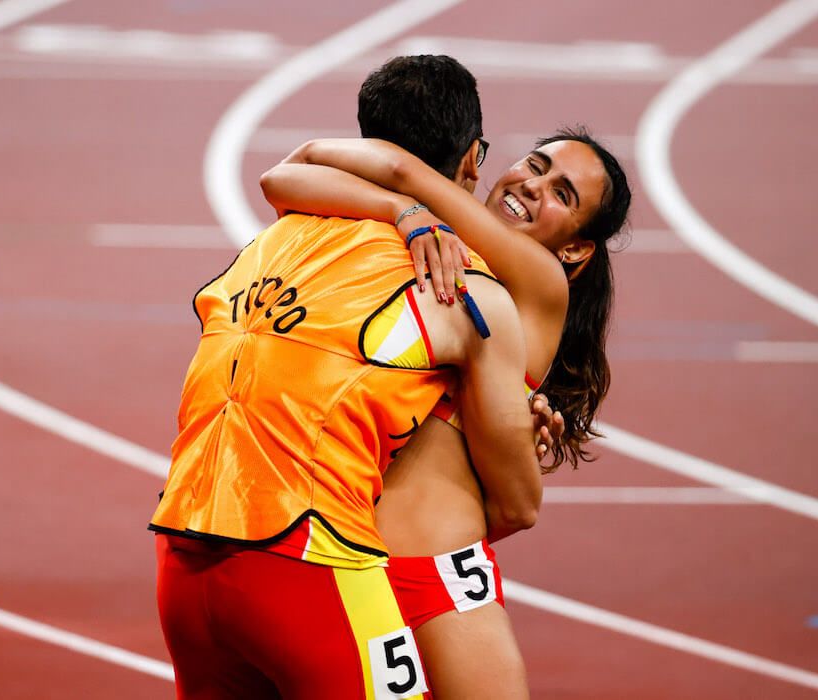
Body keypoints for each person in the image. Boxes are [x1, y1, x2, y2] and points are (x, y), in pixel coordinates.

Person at [150, 55, 550, 699]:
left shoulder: (274, 237)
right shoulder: (465, 291)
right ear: (474, 159)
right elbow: (517, 506)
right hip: (310, 561)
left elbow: (287, 172)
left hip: (183, 561)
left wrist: (396, 202)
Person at [260, 110, 631, 696]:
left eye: (561, 193)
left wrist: (403, 201)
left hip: (437, 581)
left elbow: (395, 172)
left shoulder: (537, 281)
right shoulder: (426, 250)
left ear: (577, 249)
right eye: (534, 166)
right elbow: (283, 183)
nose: (534, 185)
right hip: (343, 563)